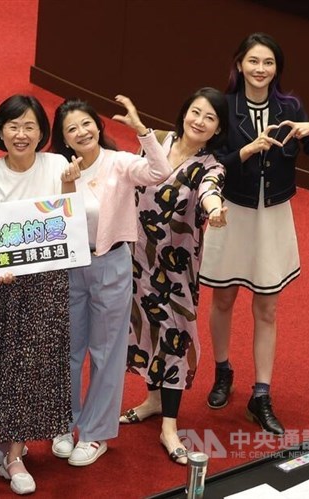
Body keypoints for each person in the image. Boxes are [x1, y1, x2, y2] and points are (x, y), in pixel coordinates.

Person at [199, 33, 309, 435]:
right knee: (223, 297)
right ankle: (223, 371)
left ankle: (261, 394)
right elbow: (207, 160)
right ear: (239, 64)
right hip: (232, 213)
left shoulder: (290, 107)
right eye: (253, 61)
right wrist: (246, 151)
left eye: (269, 63)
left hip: (273, 216)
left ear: (277, 68)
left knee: (267, 308)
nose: (261, 69)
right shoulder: (224, 107)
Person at [0, 94, 79, 495]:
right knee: (0, 358)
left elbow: (73, 221)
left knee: (31, 363)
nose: (21, 134)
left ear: (42, 132)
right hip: (1, 284)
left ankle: (14, 455)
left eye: (30, 126)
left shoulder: (58, 165)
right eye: (13, 126)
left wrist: (69, 188)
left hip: (45, 282)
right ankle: (5, 438)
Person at [49, 96, 172, 466]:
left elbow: (160, 172)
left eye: (86, 123)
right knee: (68, 348)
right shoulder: (59, 168)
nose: (82, 131)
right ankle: (63, 422)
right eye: (72, 129)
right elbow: (55, 221)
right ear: (64, 139)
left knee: (106, 351)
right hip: (70, 265)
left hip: (112, 262)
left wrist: (142, 130)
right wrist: (67, 187)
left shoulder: (118, 162)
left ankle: (96, 433)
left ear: (98, 126)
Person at [119, 88, 229, 465]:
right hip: (136, 258)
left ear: (217, 129)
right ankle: (152, 399)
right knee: (143, 329)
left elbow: (211, 193)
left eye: (209, 118)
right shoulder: (159, 143)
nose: (199, 121)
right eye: (195, 112)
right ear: (184, 113)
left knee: (176, 336)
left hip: (175, 269)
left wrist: (214, 210)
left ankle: (170, 425)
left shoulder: (211, 166)